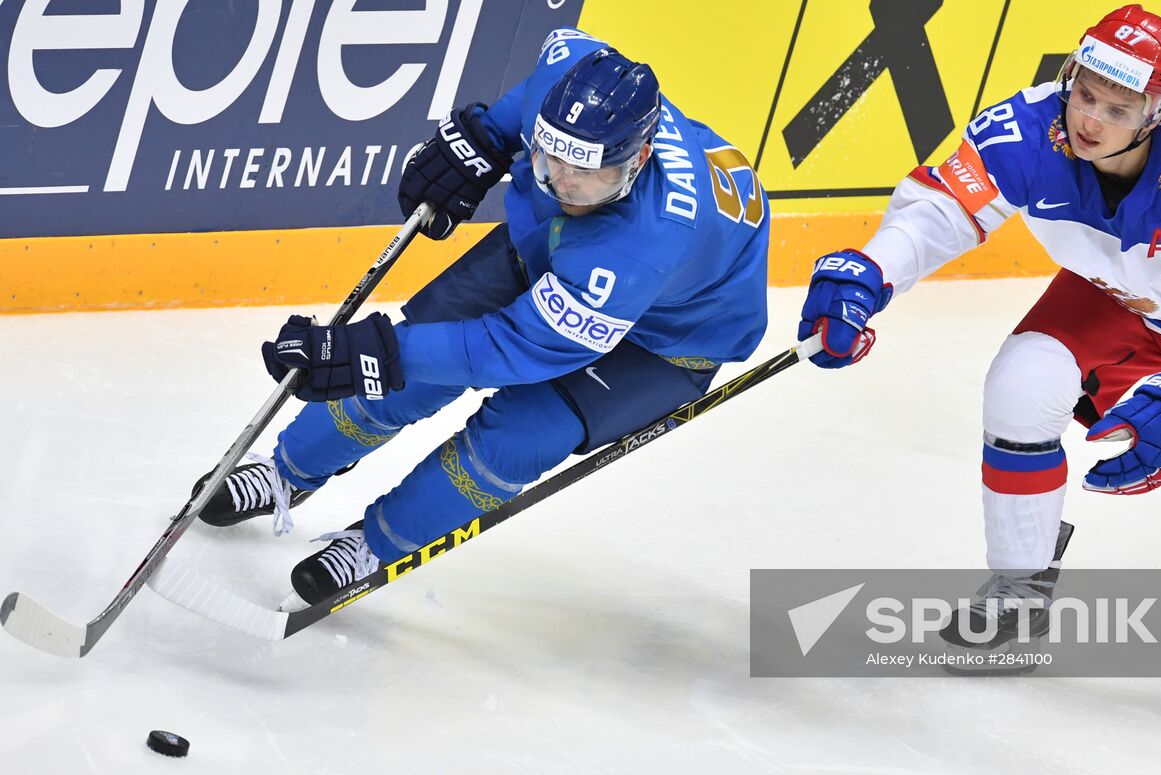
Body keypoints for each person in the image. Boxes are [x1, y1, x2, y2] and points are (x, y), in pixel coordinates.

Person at [796, 4, 1161, 655]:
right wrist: (868, 270)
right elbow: (940, 210)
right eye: (1085, 93)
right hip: (1117, 298)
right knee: (1021, 382)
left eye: (1116, 110)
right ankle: (1019, 588)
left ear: (1156, 112)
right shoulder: (1029, 128)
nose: (1087, 120)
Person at [193, 28, 769, 609]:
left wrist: (381, 351)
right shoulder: (569, 73)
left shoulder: (639, 248)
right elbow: (534, 94)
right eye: (550, 157)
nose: (561, 181)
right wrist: (487, 134)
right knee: (410, 368)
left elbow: (507, 347)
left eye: (585, 172)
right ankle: (287, 471)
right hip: (561, 253)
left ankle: (376, 543)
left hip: (667, 340)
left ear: (637, 160)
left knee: (518, 435)